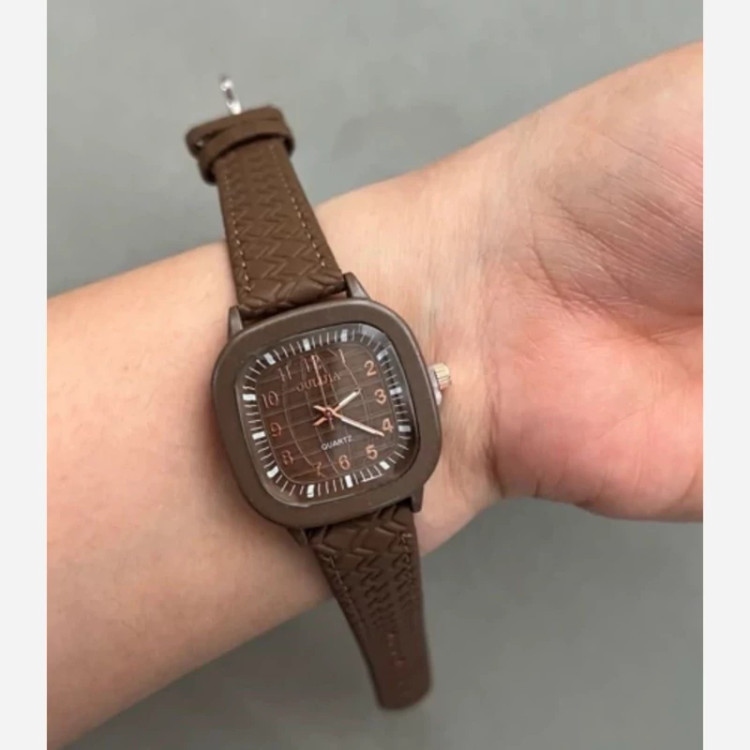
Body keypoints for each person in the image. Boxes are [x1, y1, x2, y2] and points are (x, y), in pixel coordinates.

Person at [47, 42, 702, 747]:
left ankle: (403, 688)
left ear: (427, 381)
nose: (328, 413)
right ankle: (403, 688)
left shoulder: (367, 361)